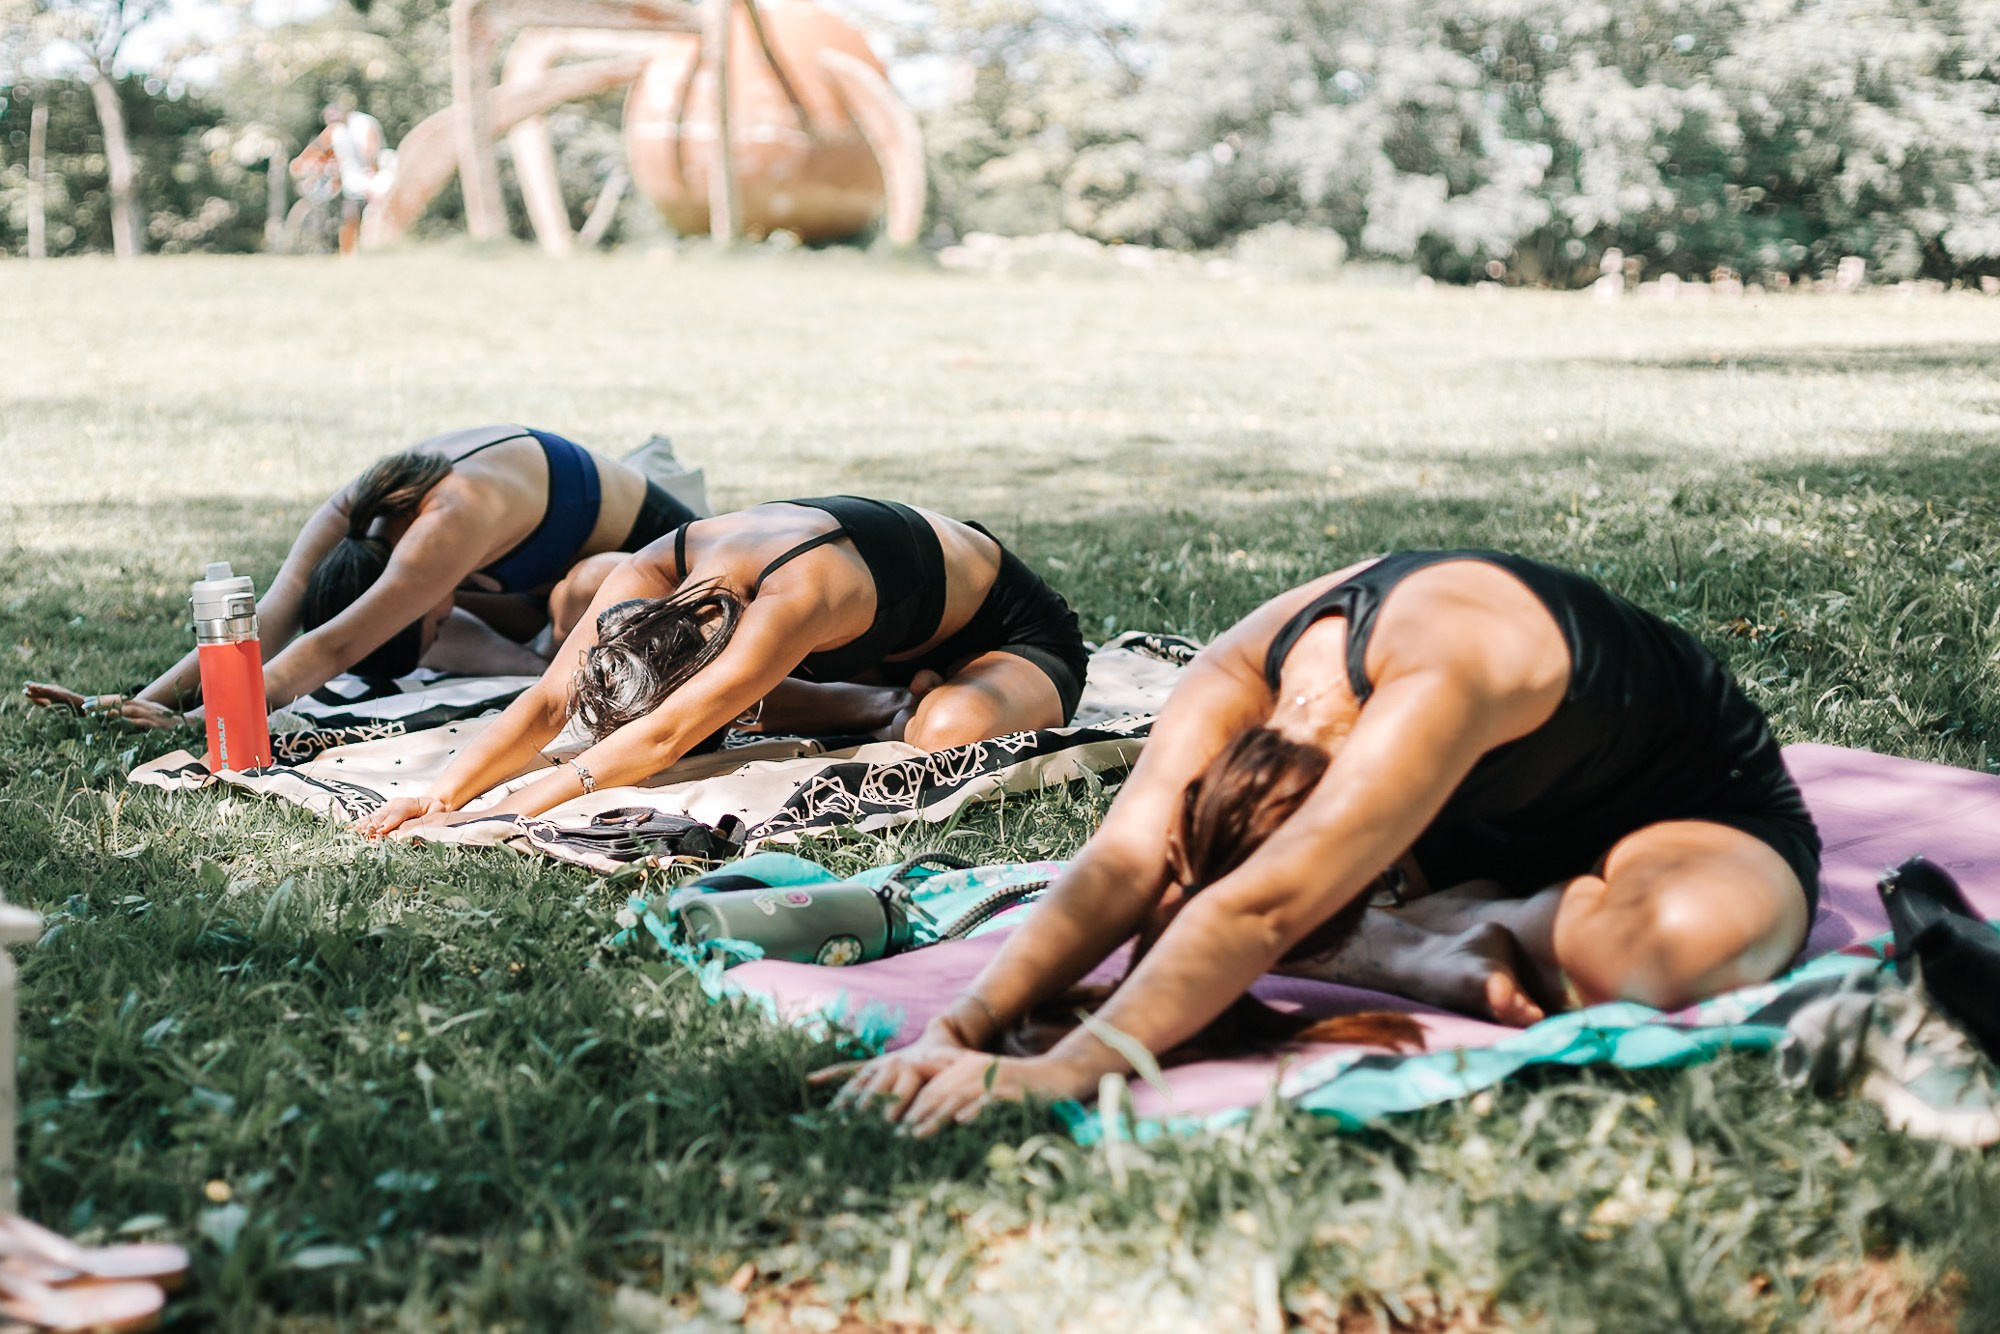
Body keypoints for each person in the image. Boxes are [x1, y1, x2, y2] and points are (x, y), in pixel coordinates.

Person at [816, 550, 1821, 1137]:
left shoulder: (1436, 672)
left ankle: (1432, 931)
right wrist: (966, 1019)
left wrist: (1067, 1067)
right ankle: (1411, 927)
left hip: (1682, 812)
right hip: (1466, 823)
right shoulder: (1237, 673)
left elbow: (1254, 907)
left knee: (1665, 951)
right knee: (1179, 905)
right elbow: (1127, 859)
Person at [355, 496, 1089, 836]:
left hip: (1009, 633)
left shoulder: (797, 595)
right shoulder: (653, 568)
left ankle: (909, 701)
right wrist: (442, 795)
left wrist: (518, 806)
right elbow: (550, 703)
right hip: (874, 645)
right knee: (584, 581)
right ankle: (887, 698)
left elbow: (666, 737)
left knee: (945, 732)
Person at [25, 424, 698, 727]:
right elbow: (268, 617)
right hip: (535, 581)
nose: (440, 630)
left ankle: (540, 665)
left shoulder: (446, 525)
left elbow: (332, 647)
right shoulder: (352, 512)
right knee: (531, 622)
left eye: (427, 628)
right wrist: (141, 699)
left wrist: (206, 723)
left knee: (585, 592)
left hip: (650, 558)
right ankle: (533, 662)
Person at [291, 102, 387, 257]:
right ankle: (349, 253)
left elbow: (372, 152)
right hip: (351, 181)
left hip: (372, 177)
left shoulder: (362, 123)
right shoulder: (335, 131)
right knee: (348, 212)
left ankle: (375, 246)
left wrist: (370, 168)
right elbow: (317, 149)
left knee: (369, 208)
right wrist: (302, 164)